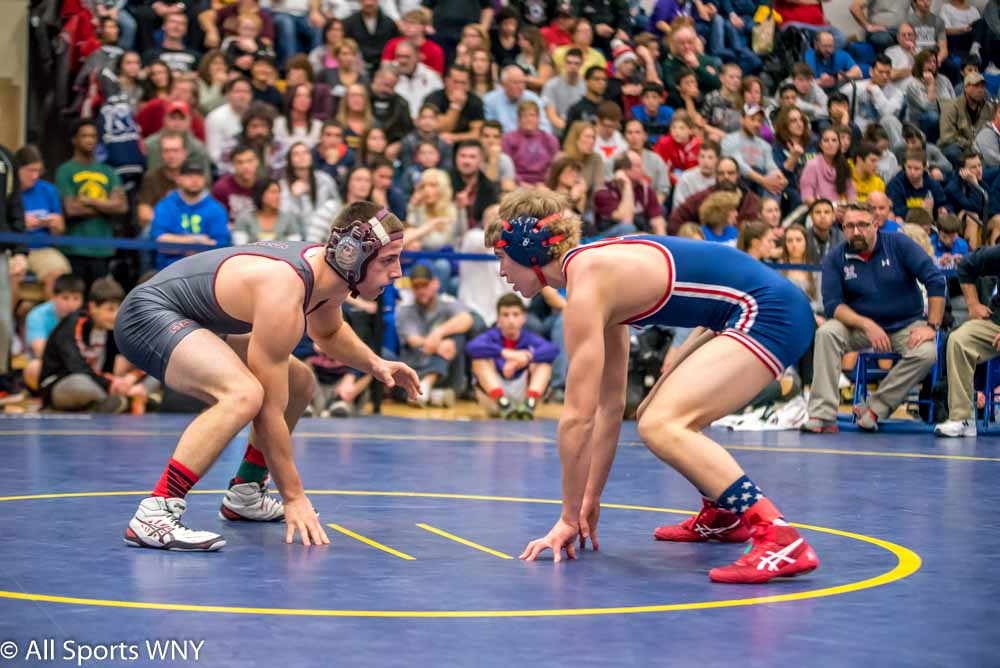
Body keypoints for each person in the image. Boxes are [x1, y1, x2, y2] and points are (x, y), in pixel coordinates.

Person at [487, 188, 819, 583]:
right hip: (748, 310)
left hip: (767, 312)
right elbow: (610, 406)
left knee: (662, 424)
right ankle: (724, 515)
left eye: (502, 258)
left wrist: (566, 517)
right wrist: (588, 500)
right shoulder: (595, 271)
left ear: (528, 251)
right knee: (650, 413)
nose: (502, 272)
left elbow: (576, 418)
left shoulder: (587, 283)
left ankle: (778, 535)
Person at [115, 201, 420, 550]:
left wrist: (375, 364)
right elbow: (269, 411)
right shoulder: (285, 289)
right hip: (149, 315)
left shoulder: (328, 274)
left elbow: (329, 333)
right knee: (245, 395)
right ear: (352, 254)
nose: (397, 273)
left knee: (300, 382)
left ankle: (246, 492)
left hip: (198, 320)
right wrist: (293, 496)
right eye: (388, 260)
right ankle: (156, 509)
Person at [802, 202, 946, 433]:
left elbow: (935, 279)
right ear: (843, 228)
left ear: (876, 225)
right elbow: (833, 306)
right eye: (849, 226)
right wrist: (867, 325)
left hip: (905, 323)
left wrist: (932, 326)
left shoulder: (898, 244)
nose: (856, 231)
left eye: (862, 225)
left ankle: (874, 407)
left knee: (926, 353)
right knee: (827, 333)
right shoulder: (835, 257)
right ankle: (822, 415)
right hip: (858, 326)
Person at [39, 278, 148, 414]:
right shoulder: (72, 324)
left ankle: (108, 404)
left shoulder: (112, 328)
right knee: (80, 383)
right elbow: (77, 368)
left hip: (98, 384)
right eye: (110, 309)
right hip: (60, 385)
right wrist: (112, 384)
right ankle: (122, 401)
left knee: (152, 377)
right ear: (92, 307)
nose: (115, 315)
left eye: (119, 309)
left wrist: (129, 379)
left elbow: (143, 353)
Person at [936, 244, 1000, 437]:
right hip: (996, 323)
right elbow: (966, 265)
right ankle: (962, 418)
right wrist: (973, 304)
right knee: (958, 340)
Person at [55, 119, 128, 287]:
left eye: (93, 136)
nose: (89, 140)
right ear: (74, 140)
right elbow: (71, 209)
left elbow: (122, 207)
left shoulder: (108, 172)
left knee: (99, 295)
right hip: (74, 247)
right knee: (76, 295)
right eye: (84, 136)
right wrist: (107, 206)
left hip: (103, 248)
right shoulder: (65, 170)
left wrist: (89, 200)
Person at [467, 293, 558, 420]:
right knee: (479, 360)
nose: (511, 320)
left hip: (523, 396)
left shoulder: (530, 338)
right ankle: (503, 403)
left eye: (515, 315)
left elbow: (553, 350)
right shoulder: (490, 336)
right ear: (498, 319)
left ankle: (530, 403)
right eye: (505, 315)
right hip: (494, 398)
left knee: (544, 364)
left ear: (523, 318)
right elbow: (471, 347)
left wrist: (526, 359)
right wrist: (503, 352)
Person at [396, 263, 474, 407]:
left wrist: (439, 332)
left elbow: (466, 319)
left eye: (425, 285)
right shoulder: (405, 308)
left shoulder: (447, 302)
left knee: (456, 338)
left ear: (435, 283)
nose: (421, 290)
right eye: (416, 287)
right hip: (416, 367)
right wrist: (437, 345)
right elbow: (413, 340)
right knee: (444, 345)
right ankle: (432, 393)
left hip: (446, 368)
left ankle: (427, 387)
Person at [150, 158, 232, 270]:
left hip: (206, 269)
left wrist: (178, 244)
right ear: (178, 179)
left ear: (205, 179)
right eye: (189, 175)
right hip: (168, 268)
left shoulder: (216, 209)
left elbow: (221, 245)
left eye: (199, 175)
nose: (194, 180)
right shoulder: (165, 205)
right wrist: (196, 241)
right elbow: (160, 241)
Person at [23, 274, 85, 392]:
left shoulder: (85, 317)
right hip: (53, 367)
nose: (70, 304)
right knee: (34, 367)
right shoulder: (37, 316)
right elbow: (41, 352)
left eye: (76, 298)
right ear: (54, 297)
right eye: (65, 298)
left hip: (79, 366)